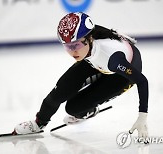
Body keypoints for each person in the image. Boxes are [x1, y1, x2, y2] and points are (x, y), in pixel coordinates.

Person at [14, 12, 149, 139]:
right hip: (95, 60)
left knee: (73, 108)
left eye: (76, 45)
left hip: (121, 77)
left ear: (90, 38)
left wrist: (142, 117)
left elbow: (142, 81)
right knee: (59, 92)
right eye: (68, 47)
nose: (73, 52)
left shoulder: (111, 57)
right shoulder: (86, 45)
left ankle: (88, 111)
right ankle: (38, 124)